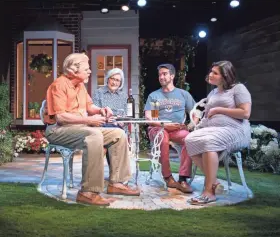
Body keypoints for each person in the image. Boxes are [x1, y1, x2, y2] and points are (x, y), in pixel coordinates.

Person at [44, 53, 140, 207]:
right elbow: (61, 117)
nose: (90, 72)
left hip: (79, 127)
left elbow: (89, 106)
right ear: (74, 70)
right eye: (87, 69)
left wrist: (101, 109)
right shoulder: (59, 85)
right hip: (58, 130)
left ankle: (116, 183)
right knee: (94, 134)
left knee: (118, 134)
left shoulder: (81, 86)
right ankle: (88, 192)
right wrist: (89, 120)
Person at [185, 61, 252, 205]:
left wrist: (219, 110)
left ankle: (209, 192)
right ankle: (214, 181)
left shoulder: (238, 89)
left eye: (215, 73)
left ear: (225, 76)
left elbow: (245, 113)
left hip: (236, 130)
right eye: (211, 71)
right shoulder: (213, 92)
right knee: (189, 139)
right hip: (213, 129)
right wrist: (197, 125)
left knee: (209, 141)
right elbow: (207, 115)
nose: (210, 75)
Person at [144, 63, 196, 193]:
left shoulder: (183, 94)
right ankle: (167, 176)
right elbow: (150, 118)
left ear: (172, 76)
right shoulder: (154, 96)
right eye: (160, 75)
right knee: (162, 136)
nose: (161, 77)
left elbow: (196, 112)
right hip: (158, 129)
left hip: (177, 130)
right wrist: (163, 125)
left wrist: (191, 125)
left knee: (189, 138)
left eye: (164, 74)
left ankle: (183, 178)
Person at [93, 68, 128, 165]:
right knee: (111, 142)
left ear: (120, 83)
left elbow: (126, 115)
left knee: (117, 137)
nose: (114, 82)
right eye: (112, 79)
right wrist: (106, 119)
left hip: (119, 127)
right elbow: (94, 112)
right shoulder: (99, 93)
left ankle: (116, 174)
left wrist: (122, 120)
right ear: (108, 79)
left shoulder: (123, 96)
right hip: (103, 126)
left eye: (117, 80)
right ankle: (115, 174)